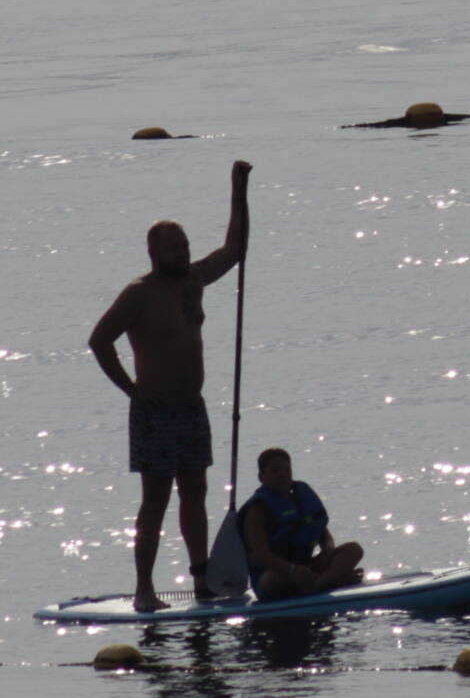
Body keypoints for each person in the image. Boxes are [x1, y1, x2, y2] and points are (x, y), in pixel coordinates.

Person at [88, 161, 251, 610]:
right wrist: (131, 388)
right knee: (155, 501)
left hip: (191, 407)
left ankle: (201, 582)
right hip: (155, 411)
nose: (183, 254)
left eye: (185, 247)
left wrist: (238, 188)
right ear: (154, 252)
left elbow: (235, 249)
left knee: (195, 494)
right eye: (174, 249)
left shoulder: (194, 281)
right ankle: (145, 588)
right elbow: (99, 341)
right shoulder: (139, 293)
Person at [241, 446, 364, 598]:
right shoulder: (257, 510)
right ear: (261, 476)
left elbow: (325, 537)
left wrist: (326, 551)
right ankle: (335, 580)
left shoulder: (302, 498)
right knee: (271, 581)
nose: (283, 475)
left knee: (354, 549)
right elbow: (259, 555)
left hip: (306, 567)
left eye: (287, 470)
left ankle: (318, 585)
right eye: (275, 471)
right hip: (277, 573)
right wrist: (292, 569)